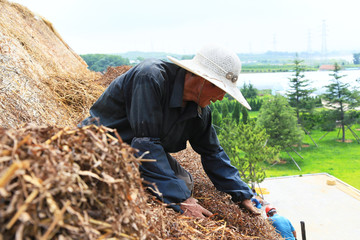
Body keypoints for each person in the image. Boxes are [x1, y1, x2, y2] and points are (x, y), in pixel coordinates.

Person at [80, 44, 259, 218]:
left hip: (139, 148)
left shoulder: (199, 111)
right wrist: (181, 199)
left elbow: (212, 151)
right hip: (104, 142)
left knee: (185, 182)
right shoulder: (150, 77)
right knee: (174, 190)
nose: (220, 98)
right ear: (202, 79)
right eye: (220, 89)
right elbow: (145, 143)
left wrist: (241, 193)